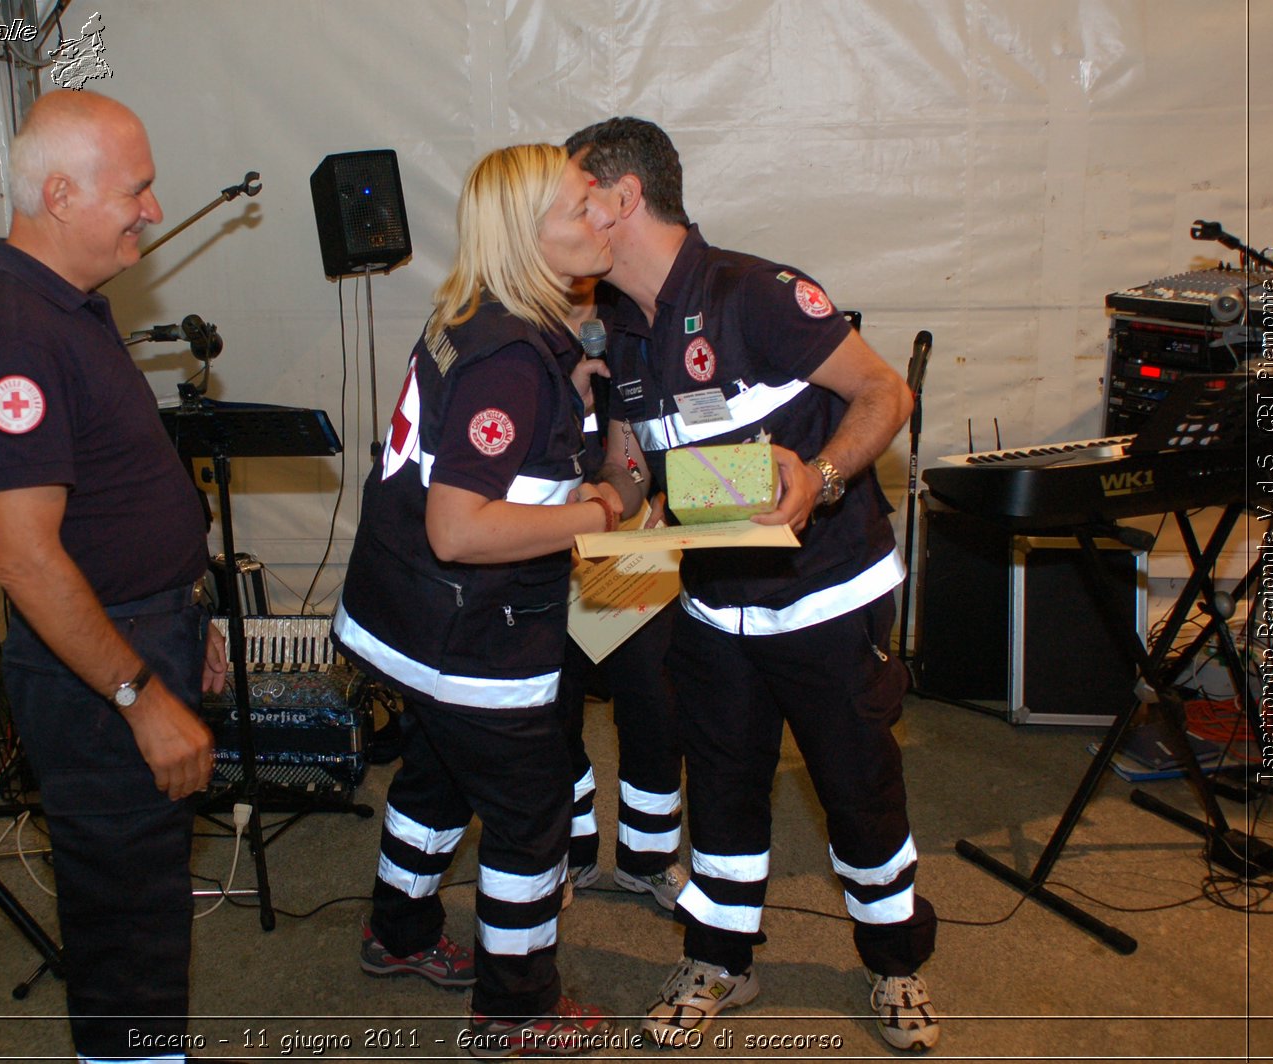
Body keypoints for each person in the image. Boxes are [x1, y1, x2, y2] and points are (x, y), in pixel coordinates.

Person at [564, 117, 938, 1053]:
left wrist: (826, 477)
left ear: (621, 199)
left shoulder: (756, 292)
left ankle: (896, 966)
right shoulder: (615, 324)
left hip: (827, 599)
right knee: (724, 786)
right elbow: (634, 461)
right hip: (706, 604)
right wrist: (601, 500)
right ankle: (720, 957)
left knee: (857, 790)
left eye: (571, 200)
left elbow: (886, 394)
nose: (556, 222)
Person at [0, 90, 227, 1064]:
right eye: (136, 189)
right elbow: (25, 557)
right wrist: (142, 694)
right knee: (126, 925)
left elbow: (108, 500)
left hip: (145, 635)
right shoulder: (13, 335)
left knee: (147, 898)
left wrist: (189, 620)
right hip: (101, 674)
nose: (152, 208)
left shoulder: (67, 307)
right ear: (60, 193)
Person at [332, 143, 621, 1058]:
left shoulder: (474, 318)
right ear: (524, 236)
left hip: (403, 621)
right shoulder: (510, 359)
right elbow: (459, 527)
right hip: (472, 636)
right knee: (531, 820)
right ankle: (516, 1010)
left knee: (437, 775)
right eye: (581, 209)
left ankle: (400, 931)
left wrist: (563, 396)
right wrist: (599, 510)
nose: (603, 219)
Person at [558, 279, 688, 912]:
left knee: (652, 705)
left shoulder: (637, 320)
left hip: (636, 550)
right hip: (547, 551)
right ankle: (568, 852)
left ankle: (650, 857)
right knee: (553, 709)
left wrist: (664, 493)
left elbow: (646, 444)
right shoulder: (518, 323)